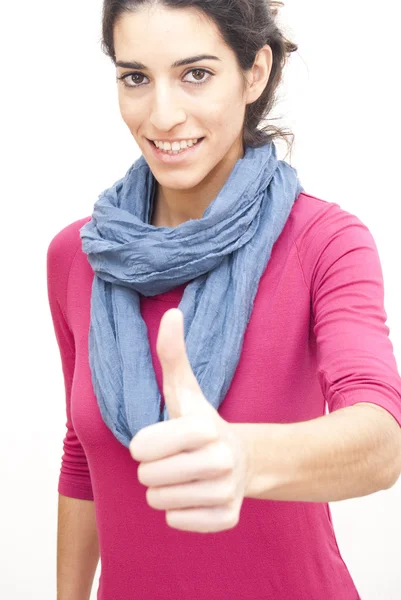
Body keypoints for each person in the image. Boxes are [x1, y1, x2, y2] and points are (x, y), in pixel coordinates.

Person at [47, 1, 401, 599]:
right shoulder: (76, 258)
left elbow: (381, 440)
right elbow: (83, 455)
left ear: (255, 73)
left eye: (196, 74)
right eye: (136, 77)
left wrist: (243, 455)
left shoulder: (324, 242)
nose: (162, 114)